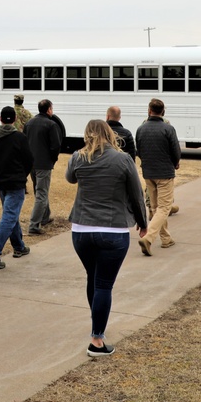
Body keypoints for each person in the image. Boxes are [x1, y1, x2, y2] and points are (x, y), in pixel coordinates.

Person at [66, 120, 148, 357]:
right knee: (103, 284)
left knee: (93, 278)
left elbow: (70, 178)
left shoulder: (78, 157)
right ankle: (97, 340)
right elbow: (136, 193)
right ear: (110, 134)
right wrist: (143, 222)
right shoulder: (123, 160)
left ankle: (97, 324)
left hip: (81, 230)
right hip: (112, 230)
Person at [0, 106, 35, 269]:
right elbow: (29, 160)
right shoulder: (20, 138)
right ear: (14, 119)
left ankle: (19, 246)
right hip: (15, 182)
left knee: (11, 215)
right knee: (9, 216)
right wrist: (23, 175)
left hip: (0, 182)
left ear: (0, 118)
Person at [135, 98, 181, 256]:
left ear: (149, 110)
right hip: (165, 173)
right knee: (164, 208)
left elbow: (138, 150)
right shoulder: (168, 129)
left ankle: (166, 239)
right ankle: (148, 238)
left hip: (149, 172)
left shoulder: (141, 129)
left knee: (155, 208)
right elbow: (175, 150)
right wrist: (175, 163)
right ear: (163, 112)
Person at [23, 99, 61, 234]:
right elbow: (55, 146)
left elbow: (24, 142)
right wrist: (53, 160)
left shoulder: (29, 123)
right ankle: (34, 226)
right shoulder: (51, 125)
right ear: (49, 109)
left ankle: (45, 216)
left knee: (39, 191)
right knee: (42, 194)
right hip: (43, 164)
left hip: (31, 164)